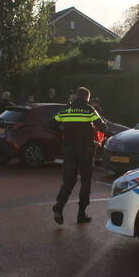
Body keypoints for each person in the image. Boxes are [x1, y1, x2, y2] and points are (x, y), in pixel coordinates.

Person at [51, 86, 108, 225]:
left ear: (76, 96)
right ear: (87, 97)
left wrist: (64, 131)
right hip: (85, 151)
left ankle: (59, 205)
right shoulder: (89, 110)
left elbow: (52, 123)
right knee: (85, 182)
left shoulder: (66, 109)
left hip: (69, 150)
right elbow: (102, 127)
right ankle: (81, 213)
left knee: (68, 181)